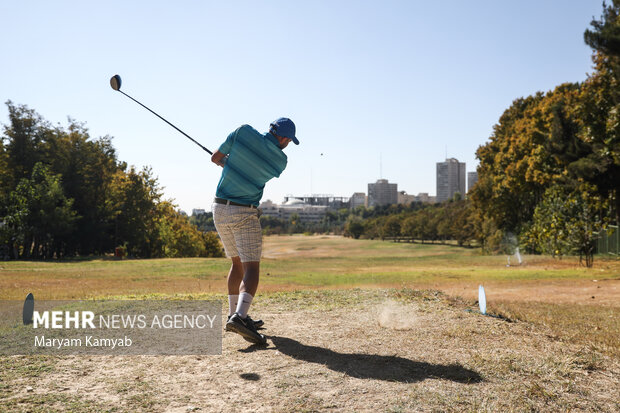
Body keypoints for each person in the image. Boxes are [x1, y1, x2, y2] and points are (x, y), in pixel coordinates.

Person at [211, 118, 299, 344]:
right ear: (284, 138)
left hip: (219, 208)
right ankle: (239, 317)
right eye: (289, 140)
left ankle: (233, 314)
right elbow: (254, 171)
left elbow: (216, 158)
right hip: (243, 212)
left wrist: (228, 162)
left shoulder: (242, 131)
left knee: (236, 264)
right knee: (251, 267)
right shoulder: (280, 161)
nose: (288, 144)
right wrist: (236, 164)